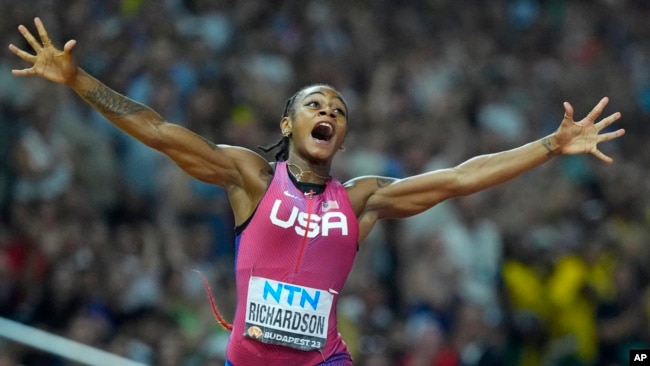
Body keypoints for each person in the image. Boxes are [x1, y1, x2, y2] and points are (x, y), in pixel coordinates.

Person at [8, 17, 625, 366]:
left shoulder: (361, 200)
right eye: (314, 103)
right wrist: (78, 79)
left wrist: (548, 144)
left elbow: (461, 178)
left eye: (338, 108)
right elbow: (162, 132)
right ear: (289, 124)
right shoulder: (251, 178)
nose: (328, 109)